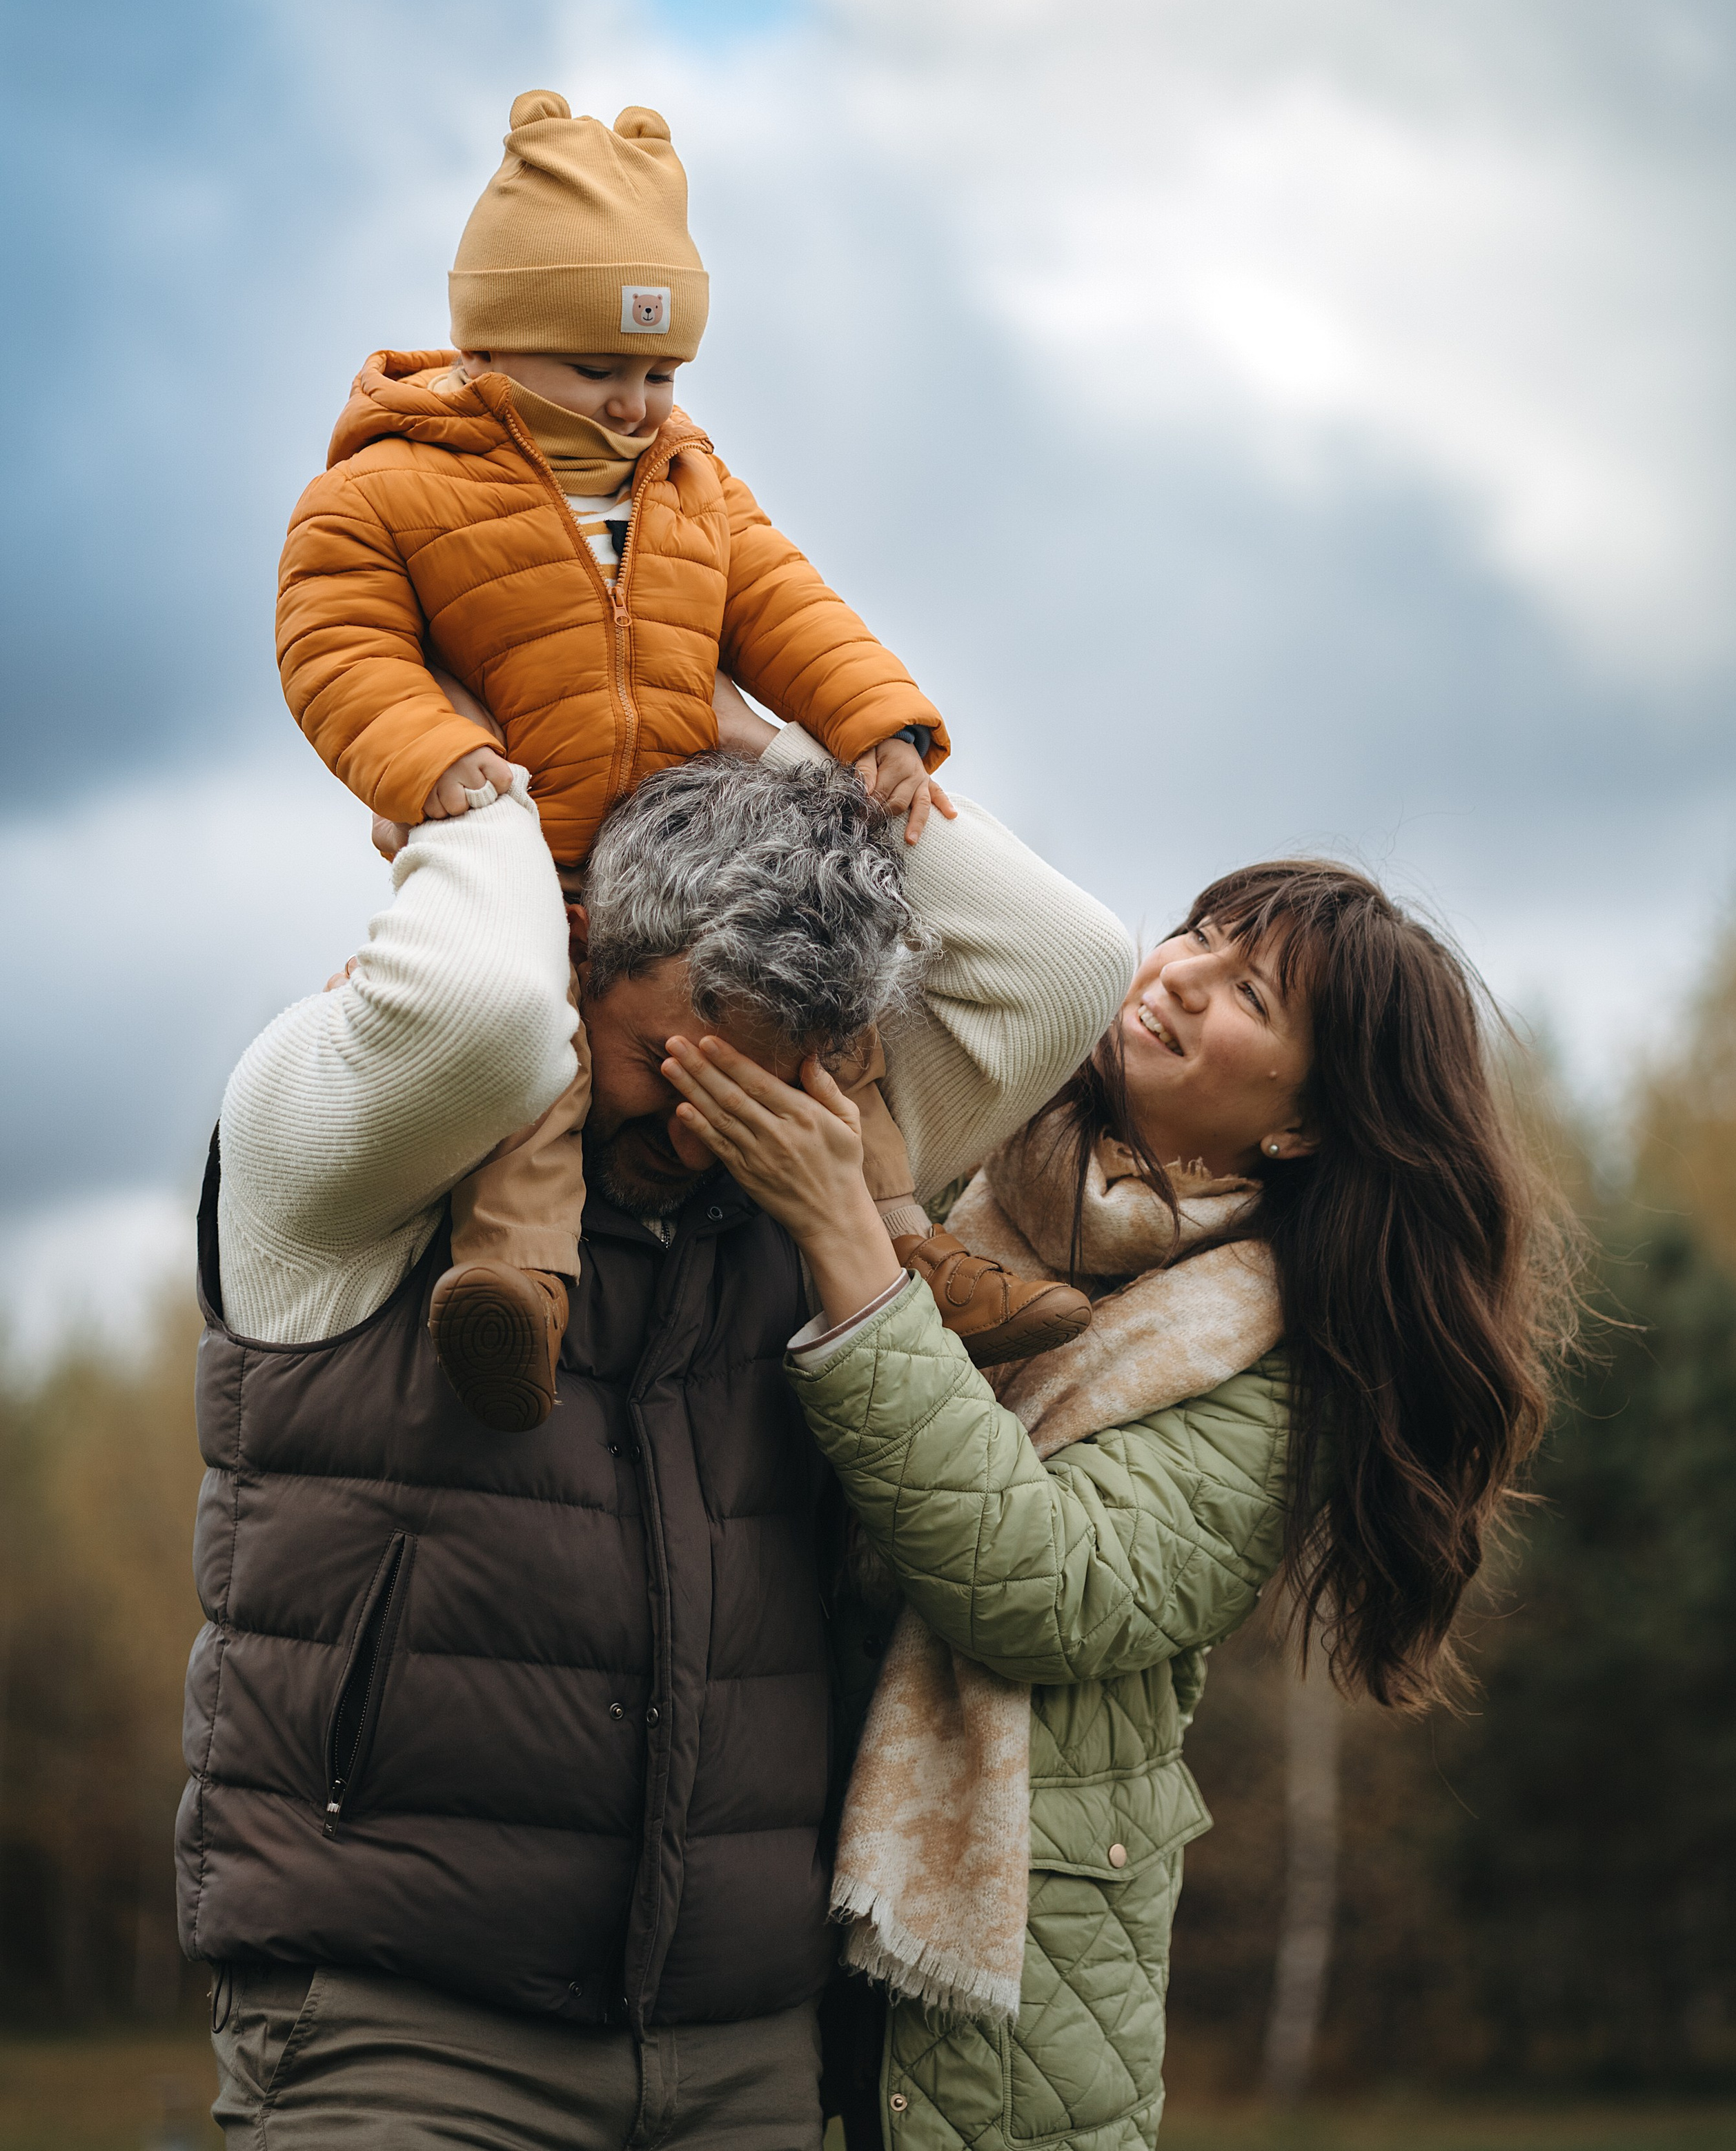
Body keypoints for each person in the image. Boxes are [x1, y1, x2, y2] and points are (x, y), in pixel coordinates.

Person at [181, 719, 1136, 2148]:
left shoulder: (797, 1182)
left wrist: (760, 739)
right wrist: (492, 801)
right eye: (668, 1064)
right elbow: (481, 1009)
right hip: (401, 2035)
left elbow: (1064, 964)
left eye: (759, 1088)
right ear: (575, 950)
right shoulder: (356, 1155)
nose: (703, 1133)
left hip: (741, 2052)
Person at [656, 857, 1573, 2151]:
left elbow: (1041, 1584)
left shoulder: (1272, 1362)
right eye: (1197, 933)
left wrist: (855, 1251)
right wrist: (820, 732)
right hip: (747, 1887)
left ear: (1300, 1126)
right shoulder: (978, 1147)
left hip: (1002, 2029)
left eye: (1247, 989)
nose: (1181, 975)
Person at [274, 88, 1085, 1427]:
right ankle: (516, 1286)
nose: (640, 404)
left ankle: (909, 1246)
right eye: (603, 372)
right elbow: (334, 646)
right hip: (527, 851)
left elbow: (784, 603)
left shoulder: (689, 480)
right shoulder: (386, 490)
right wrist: (430, 762)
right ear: (496, 344)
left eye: (660, 376)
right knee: (536, 1055)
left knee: (827, 1026)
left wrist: (873, 722)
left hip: (688, 852)